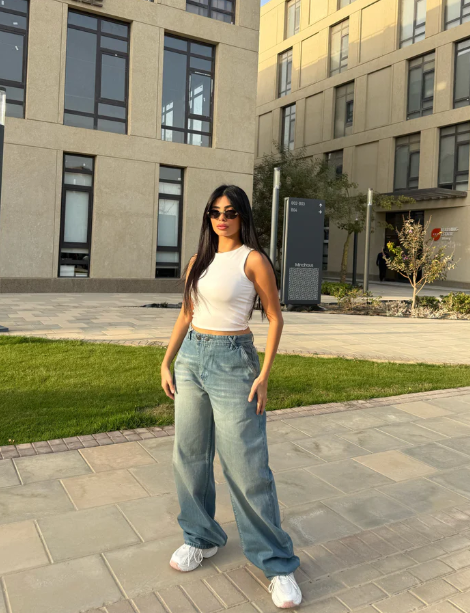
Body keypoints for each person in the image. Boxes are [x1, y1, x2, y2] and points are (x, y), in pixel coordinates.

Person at [160, 184, 302, 609]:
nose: (222, 219)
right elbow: (186, 313)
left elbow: (275, 318)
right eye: (215, 212)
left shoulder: (252, 260)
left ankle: (277, 564)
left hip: (233, 362)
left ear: (243, 217)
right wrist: (167, 361)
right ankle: (200, 537)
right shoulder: (198, 261)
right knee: (189, 456)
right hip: (191, 359)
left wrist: (264, 375)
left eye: (231, 212)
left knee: (246, 465)